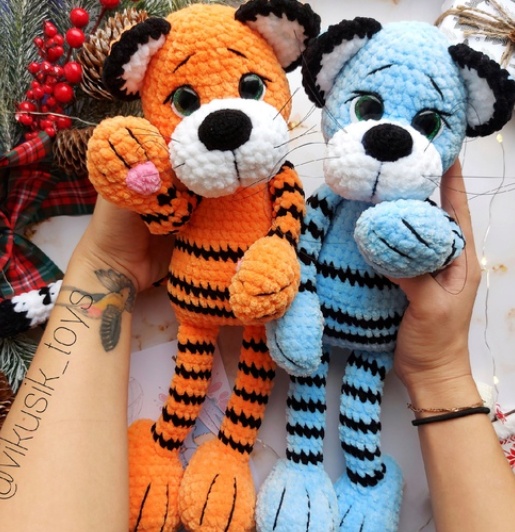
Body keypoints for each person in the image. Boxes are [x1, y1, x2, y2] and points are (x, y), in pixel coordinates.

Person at [0, 161, 514, 531]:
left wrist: (103, 269)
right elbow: (299, 239)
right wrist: (440, 371)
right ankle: (171, 447)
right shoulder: (318, 197)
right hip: (208, 309)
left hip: (272, 313)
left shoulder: (285, 181)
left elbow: (291, 231)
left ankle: (264, 460)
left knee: (264, 371)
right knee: (222, 372)